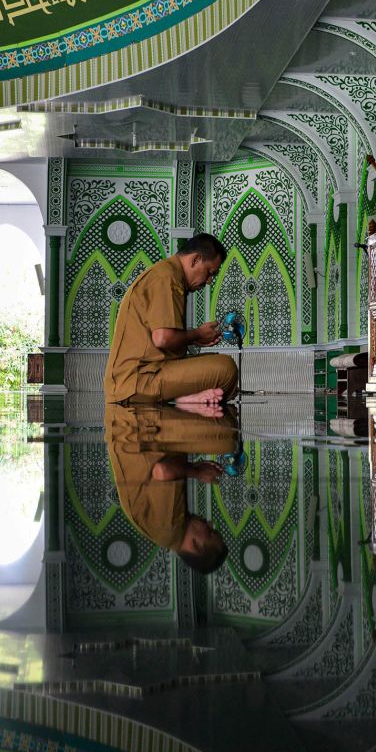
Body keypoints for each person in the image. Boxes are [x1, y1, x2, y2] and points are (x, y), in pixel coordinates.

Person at [103, 233, 239, 405]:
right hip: (138, 381)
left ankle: (182, 398)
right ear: (195, 259)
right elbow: (162, 339)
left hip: (143, 376)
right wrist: (196, 334)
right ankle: (180, 399)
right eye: (209, 272)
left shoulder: (166, 273)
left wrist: (194, 339)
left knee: (215, 361)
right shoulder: (166, 277)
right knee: (226, 369)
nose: (209, 281)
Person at [105, 403, 232, 574]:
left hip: (135, 423)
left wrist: (197, 472)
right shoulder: (170, 533)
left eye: (210, 532)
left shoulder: (169, 529)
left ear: (195, 545)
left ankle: (184, 400)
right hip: (141, 429)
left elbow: (162, 471)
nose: (209, 523)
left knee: (226, 438)